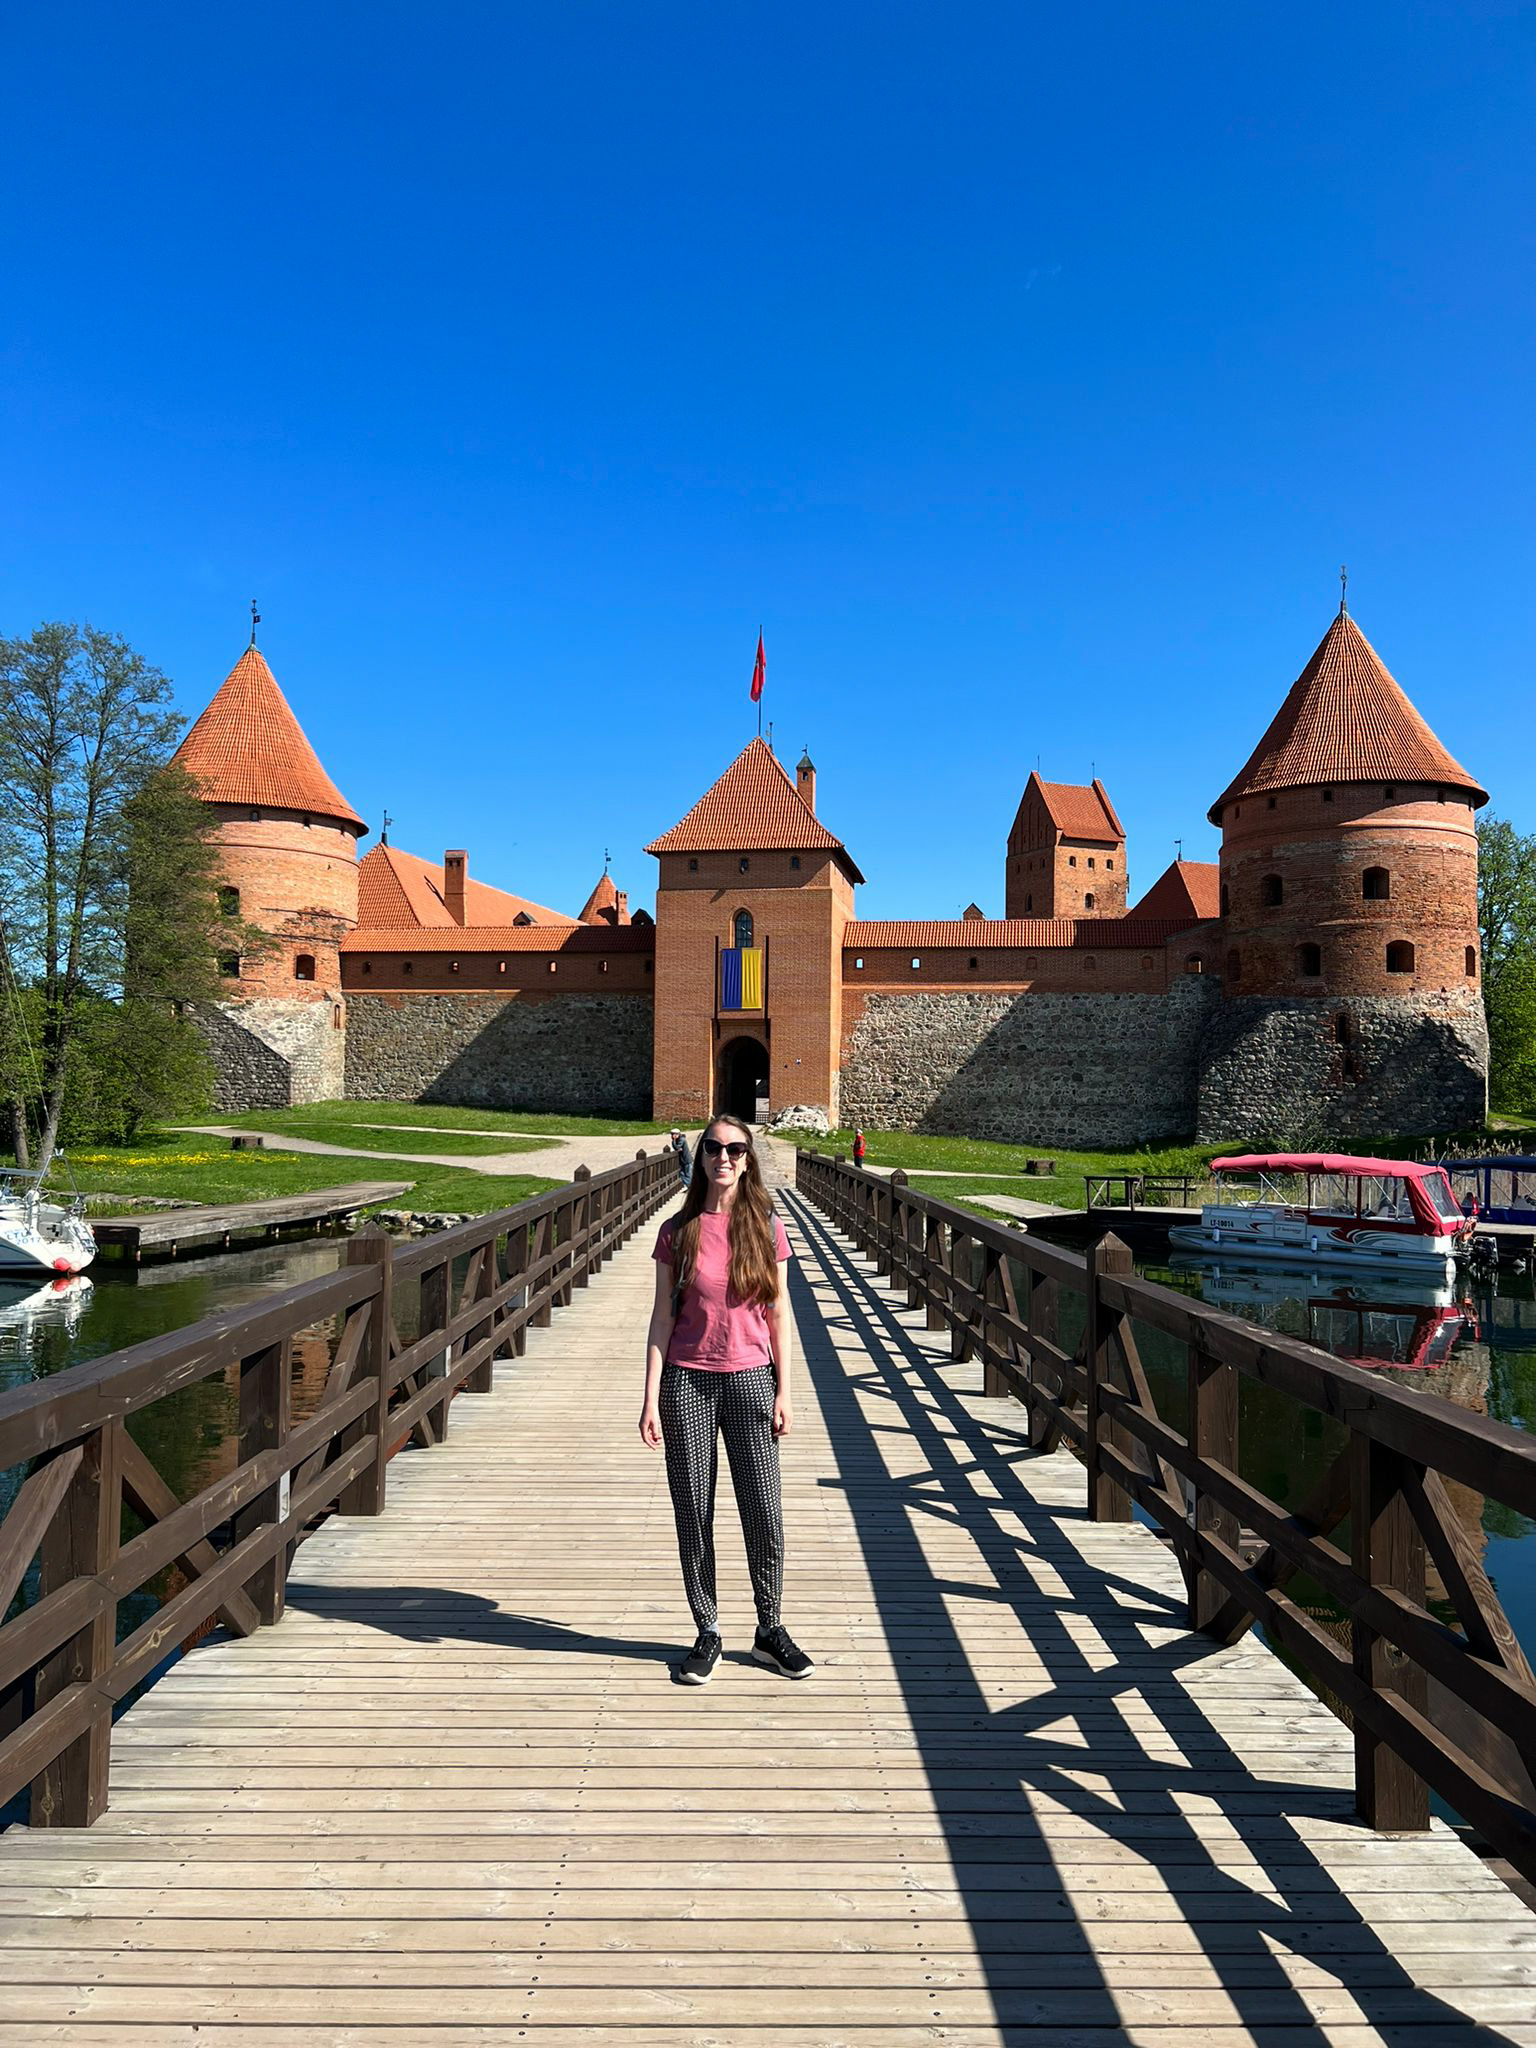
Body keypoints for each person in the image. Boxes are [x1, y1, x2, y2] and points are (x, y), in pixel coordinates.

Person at [640, 1111, 813, 1686]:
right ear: (701, 1157)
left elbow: (779, 1314)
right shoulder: (678, 1231)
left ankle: (770, 1629)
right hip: (687, 1381)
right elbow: (662, 1318)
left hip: (751, 1379)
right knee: (694, 1509)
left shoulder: (765, 1227)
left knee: (763, 1508)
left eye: (735, 1149)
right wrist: (649, 1397)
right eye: (714, 1147)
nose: (724, 1157)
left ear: (747, 1160)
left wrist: (786, 1390)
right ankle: (708, 1629)